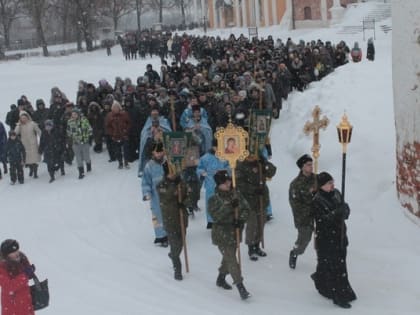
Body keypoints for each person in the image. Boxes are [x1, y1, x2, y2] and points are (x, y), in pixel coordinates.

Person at [311, 172, 357, 309]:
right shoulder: (317, 200)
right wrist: (338, 212)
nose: (332, 185)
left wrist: (345, 211)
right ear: (321, 186)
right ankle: (338, 296)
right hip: (327, 239)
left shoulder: (336, 193)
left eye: (332, 182)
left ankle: (328, 283)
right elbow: (322, 221)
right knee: (334, 266)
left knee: (341, 264)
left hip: (340, 236)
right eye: (329, 183)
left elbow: (344, 208)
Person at [208, 170, 251, 300]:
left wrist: (240, 220)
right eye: (225, 182)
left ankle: (221, 278)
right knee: (232, 259)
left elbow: (246, 209)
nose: (228, 184)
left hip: (235, 232)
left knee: (228, 257)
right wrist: (229, 208)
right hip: (221, 234)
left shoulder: (236, 194)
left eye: (229, 181)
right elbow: (216, 217)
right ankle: (240, 286)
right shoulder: (214, 199)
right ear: (219, 184)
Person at [236, 155, 276, 261]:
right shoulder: (240, 165)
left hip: (262, 199)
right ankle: (251, 248)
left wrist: (265, 163)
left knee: (261, 223)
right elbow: (239, 183)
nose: (251, 157)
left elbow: (272, 171)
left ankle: (257, 245)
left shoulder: (260, 163)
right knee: (252, 224)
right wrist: (253, 189)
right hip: (249, 201)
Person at [157, 161, 189, 280]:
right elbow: (168, 196)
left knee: (181, 243)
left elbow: (189, 195)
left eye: (174, 171)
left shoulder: (181, 183)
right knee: (175, 245)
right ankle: (177, 268)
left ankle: (173, 255)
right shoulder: (161, 185)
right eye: (170, 172)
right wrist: (174, 187)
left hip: (181, 218)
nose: (173, 174)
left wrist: (184, 202)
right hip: (170, 219)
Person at [288, 154, 316, 269]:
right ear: (302, 167)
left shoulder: (317, 179)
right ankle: (295, 252)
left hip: (319, 215)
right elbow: (296, 205)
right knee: (305, 239)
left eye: (311, 164)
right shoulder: (296, 184)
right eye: (308, 165)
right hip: (304, 217)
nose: (311, 167)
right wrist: (310, 208)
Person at [196, 139, 230, 229]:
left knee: (223, 201)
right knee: (210, 202)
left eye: (219, 146)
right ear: (212, 146)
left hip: (222, 183)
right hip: (210, 183)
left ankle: (222, 219)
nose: (217, 148)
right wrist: (202, 172)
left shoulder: (224, 156)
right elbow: (198, 168)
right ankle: (211, 221)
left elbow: (229, 165)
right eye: (216, 147)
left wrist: (226, 170)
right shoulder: (205, 157)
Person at [141, 142, 168, 247]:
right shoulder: (149, 166)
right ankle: (161, 236)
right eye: (157, 152)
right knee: (158, 216)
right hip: (156, 197)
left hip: (168, 194)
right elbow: (145, 182)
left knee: (169, 215)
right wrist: (146, 193)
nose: (160, 154)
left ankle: (171, 234)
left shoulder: (168, 162)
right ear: (153, 153)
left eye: (161, 152)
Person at [0, 239, 36, 315]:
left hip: (26, 306)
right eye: (12, 252)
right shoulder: (2, 267)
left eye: (17, 250)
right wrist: (25, 275)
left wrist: (30, 272)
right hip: (12, 308)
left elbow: (25, 278)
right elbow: (8, 287)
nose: (16, 253)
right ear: (6, 255)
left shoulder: (22, 260)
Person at [14, 111, 41, 179]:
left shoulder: (32, 124)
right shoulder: (20, 126)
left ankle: (35, 173)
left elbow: (39, 132)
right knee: (27, 159)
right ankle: (31, 169)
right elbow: (15, 133)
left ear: (27, 117)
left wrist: (43, 139)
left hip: (33, 144)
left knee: (34, 159)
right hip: (25, 144)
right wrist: (18, 125)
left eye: (25, 118)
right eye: (22, 118)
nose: (24, 119)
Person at [66, 109, 93, 179]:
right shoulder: (70, 122)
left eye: (75, 114)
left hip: (85, 141)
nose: (74, 116)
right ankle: (81, 172)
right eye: (72, 114)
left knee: (86, 156)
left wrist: (90, 138)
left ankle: (88, 165)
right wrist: (69, 139)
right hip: (76, 143)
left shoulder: (84, 120)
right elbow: (68, 132)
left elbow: (89, 129)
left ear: (78, 114)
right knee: (78, 158)